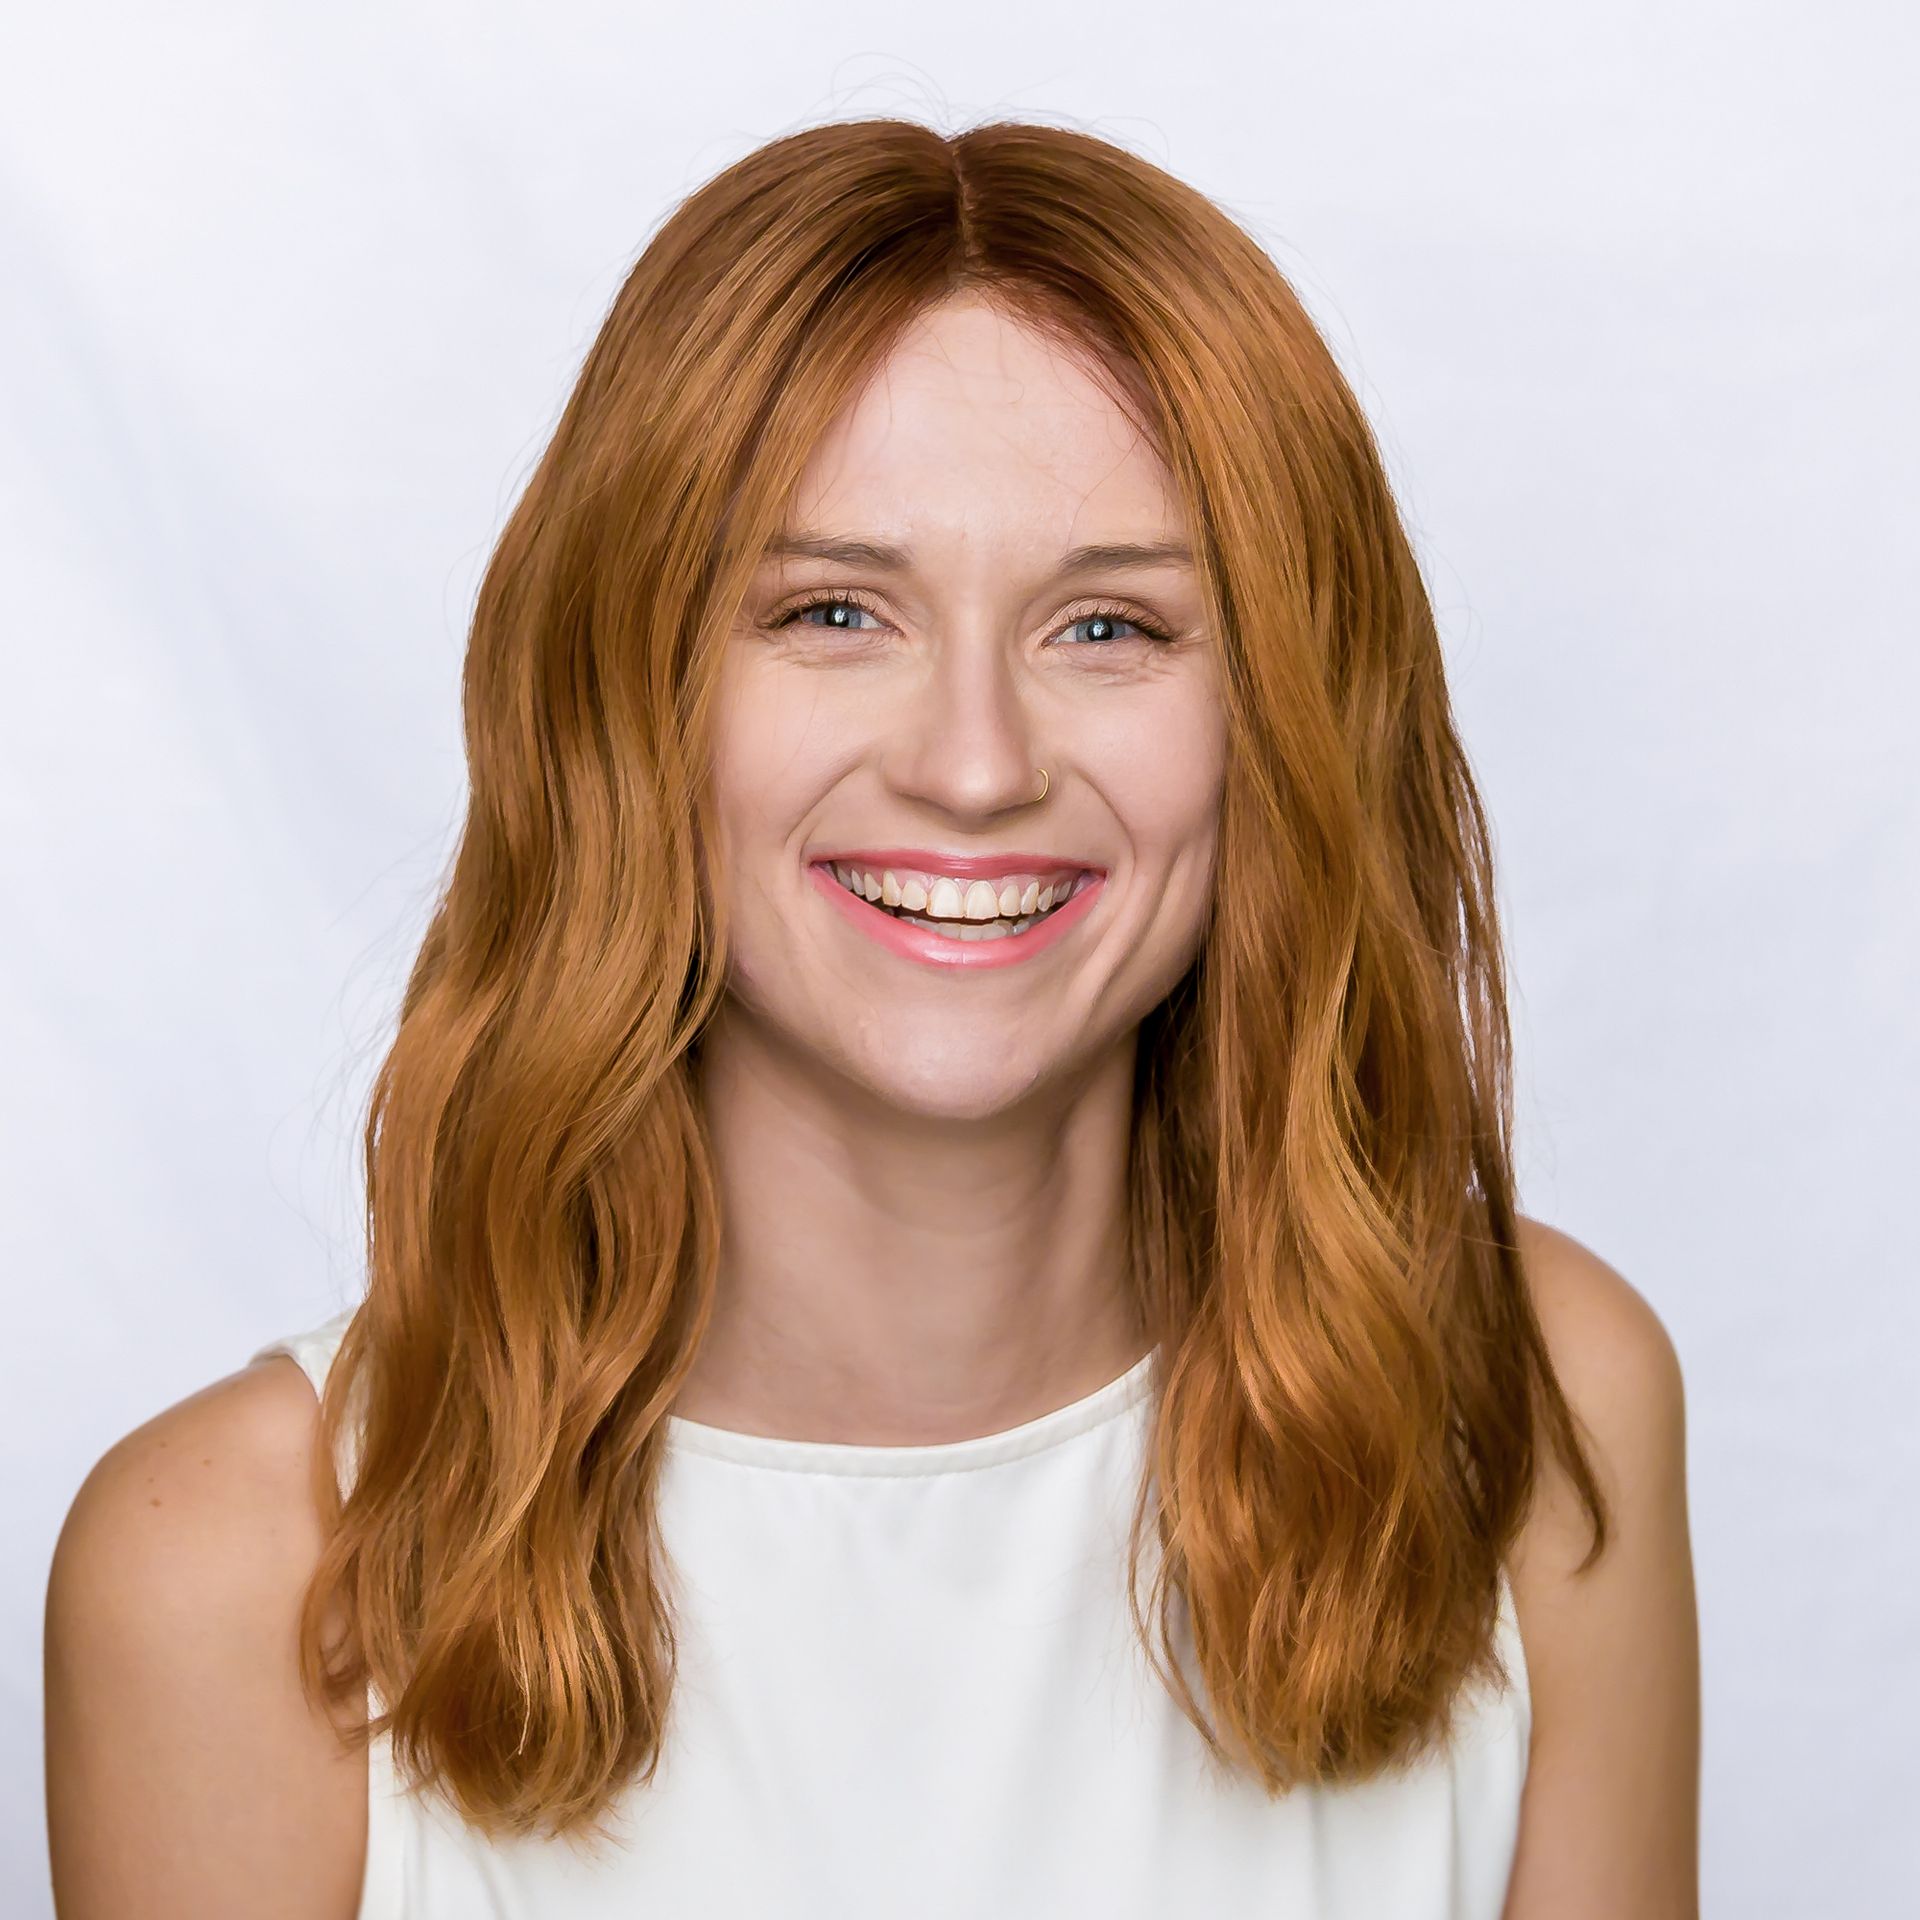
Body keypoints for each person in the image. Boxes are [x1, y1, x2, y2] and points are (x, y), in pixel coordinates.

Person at [44, 117, 1699, 1919]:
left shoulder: (1535, 1405)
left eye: (1112, 628)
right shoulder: (224, 1573)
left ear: (1284, 712)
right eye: (835, 610)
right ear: (628, 698)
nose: (974, 764)